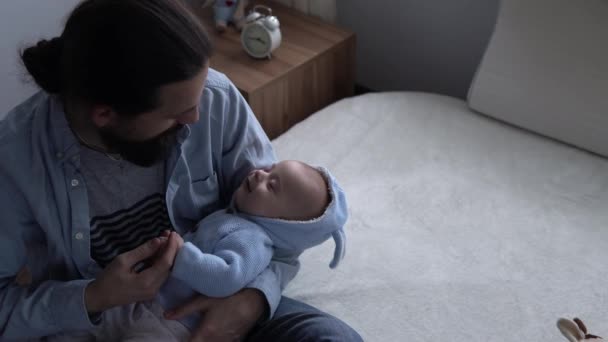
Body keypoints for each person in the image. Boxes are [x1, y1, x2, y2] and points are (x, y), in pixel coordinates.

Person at [0, 0, 363, 341]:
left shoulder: (215, 98)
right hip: (109, 323)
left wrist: (251, 300)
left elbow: (281, 231)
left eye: (199, 97)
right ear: (105, 114)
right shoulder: (15, 158)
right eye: (175, 115)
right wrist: (93, 296)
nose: (195, 120)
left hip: (221, 299)